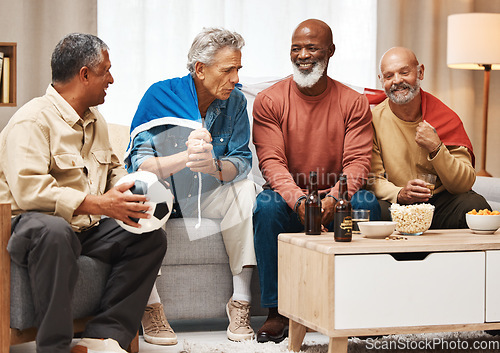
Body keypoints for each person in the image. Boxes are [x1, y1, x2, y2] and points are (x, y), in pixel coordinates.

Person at [0, 33, 167, 353]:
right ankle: (55, 346)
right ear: (85, 74)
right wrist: (101, 204)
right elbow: (28, 191)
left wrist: (130, 193)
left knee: (148, 235)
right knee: (54, 231)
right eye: (106, 71)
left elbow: (114, 170)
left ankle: (103, 337)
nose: (112, 79)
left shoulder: (95, 121)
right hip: (32, 228)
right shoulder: (32, 120)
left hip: (85, 228)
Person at [252, 19, 380, 344]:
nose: (303, 55)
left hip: (338, 194)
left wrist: (332, 200)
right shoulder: (269, 101)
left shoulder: (353, 102)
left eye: (312, 48)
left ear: (330, 51)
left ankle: (362, 307)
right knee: (265, 208)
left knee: (368, 203)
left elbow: (358, 163)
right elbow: (271, 162)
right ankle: (277, 311)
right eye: (296, 48)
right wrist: (301, 202)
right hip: (288, 195)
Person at [126, 28, 257, 343]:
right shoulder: (160, 96)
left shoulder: (235, 102)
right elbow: (140, 164)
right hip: (166, 194)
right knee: (141, 189)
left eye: (238, 69)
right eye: (228, 70)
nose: (236, 78)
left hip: (206, 195)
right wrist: (185, 158)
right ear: (200, 69)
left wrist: (212, 165)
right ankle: (151, 308)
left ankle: (240, 302)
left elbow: (240, 161)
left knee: (245, 188)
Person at [368, 47, 491, 227]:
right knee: (370, 208)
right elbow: (373, 179)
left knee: (476, 206)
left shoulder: (444, 117)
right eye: (389, 76)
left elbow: (464, 184)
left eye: (404, 72)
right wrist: (400, 193)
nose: (397, 81)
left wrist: (436, 148)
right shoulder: (372, 120)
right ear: (381, 80)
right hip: (397, 204)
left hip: (439, 204)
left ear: (420, 72)